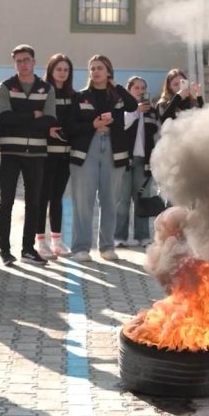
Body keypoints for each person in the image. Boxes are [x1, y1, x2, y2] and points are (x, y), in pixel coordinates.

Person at [68, 55, 137, 262]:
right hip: (86, 150)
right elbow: (70, 127)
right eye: (92, 68)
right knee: (83, 201)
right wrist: (93, 125)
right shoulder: (80, 96)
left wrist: (117, 87)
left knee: (109, 200)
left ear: (109, 72)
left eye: (100, 68)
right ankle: (81, 248)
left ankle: (107, 247)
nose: (95, 72)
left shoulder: (117, 96)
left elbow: (133, 106)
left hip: (114, 151)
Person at [0, 44, 59, 267]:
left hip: (37, 154)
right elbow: (5, 118)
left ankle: (28, 249)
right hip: (10, 152)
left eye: (26, 60)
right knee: (6, 202)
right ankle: (4, 250)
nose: (23, 64)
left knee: (34, 203)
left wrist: (21, 117)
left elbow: (50, 120)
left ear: (34, 61)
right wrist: (34, 115)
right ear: (15, 63)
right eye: (19, 61)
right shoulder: (6, 86)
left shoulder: (46, 89)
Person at [35, 54, 74, 260]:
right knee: (43, 197)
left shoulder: (72, 95)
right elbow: (36, 119)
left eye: (66, 70)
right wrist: (46, 129)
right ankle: (40, 241)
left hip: (64, 154)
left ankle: (56, 240)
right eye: (58, 69)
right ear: (51, 70)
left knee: (57, 197)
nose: (62, 73)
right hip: (46, 154)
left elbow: (75, 123)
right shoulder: (42, 91)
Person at [115, 76, 160, 248]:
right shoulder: (123, 108)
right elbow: (122, 125)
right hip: (125, 160)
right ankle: (119, 237)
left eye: (143, 88)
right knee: (122, 200)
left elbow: (157, 133)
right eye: (136, 88)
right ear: (129, 90)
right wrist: (136, 111)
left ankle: (143, 236)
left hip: (144, 161)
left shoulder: (151, 111)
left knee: (142, 199)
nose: (140, 91)